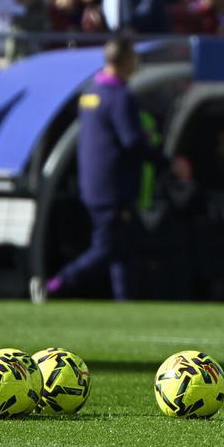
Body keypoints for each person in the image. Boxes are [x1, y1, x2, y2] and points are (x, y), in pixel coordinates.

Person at [44, 38, 158, 301]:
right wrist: (160, 156)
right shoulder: (119, 96)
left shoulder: (92, 92)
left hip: (92, 183)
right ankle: (57, 283)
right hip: (114, 186)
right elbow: (132, 141)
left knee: (123, 249)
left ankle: (124, 303)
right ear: (127, 60)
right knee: (107, 247)